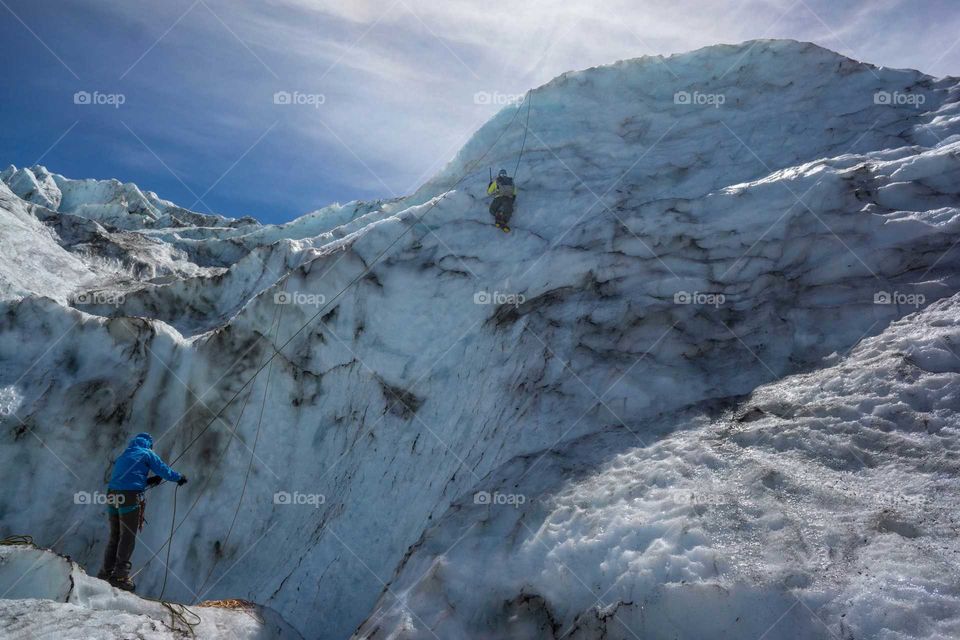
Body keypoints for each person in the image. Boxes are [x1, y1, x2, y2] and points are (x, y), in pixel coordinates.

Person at [98, 432, 187, 591]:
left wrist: (147, 481)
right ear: (149, 444)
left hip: (112, 495)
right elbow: (163, 470)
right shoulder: (147, 453)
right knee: (127, 536)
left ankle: (105, 573)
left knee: (115, 535)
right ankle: (120, 576)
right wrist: (179, 477)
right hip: (129, 497)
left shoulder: (125, 454)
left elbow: (127, 479)